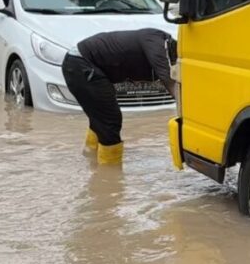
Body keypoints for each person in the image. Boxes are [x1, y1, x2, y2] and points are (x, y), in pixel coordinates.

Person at [62, 28, 177, 164]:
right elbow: (168, 80)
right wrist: (185, 106)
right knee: (110, 120)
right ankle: (109, 172)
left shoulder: (157, 39)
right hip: (80, 64)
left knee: (100, 117)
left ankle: (91, 156)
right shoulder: (158, 43)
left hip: (80, 63)